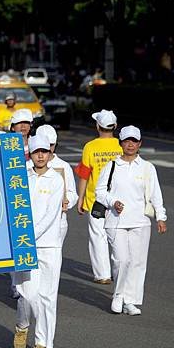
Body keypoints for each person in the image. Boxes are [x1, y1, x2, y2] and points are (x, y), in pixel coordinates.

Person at [95, 126, 167, 315]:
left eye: (134, 141)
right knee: (121, 260)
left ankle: (130, 301)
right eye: (127, 140)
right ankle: (118, 295)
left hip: (140, 221)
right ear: (121, 143)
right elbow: (100, 192)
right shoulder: (111, 165)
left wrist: (161, 216)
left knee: (137, 262)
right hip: (116, 221)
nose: (130, 144)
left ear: (140, 143)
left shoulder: (147, 167)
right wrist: (113, 201)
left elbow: (155, 194)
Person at [13, 135, 64, 348]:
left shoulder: (57, 179)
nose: (41, 155)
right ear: (30, 154)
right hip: (24, 245)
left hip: (50, 244)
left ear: (50, 153)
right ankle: (22, 325)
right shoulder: (20, 175)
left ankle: (41, 344)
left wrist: (28, 236)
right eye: (36, 152)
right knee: (28, 295)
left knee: (47, 297)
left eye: (44, 151)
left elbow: (51, 214)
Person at [74, 110, 122, 284]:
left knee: (98, 237)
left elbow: (84, 175)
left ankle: (103, 274)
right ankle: (120, 272)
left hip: (95, 199)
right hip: (119, 199)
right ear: (115, 127)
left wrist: (80, 198)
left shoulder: (90, 147)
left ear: (97, 126)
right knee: (118, 237)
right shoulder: (121, 145)